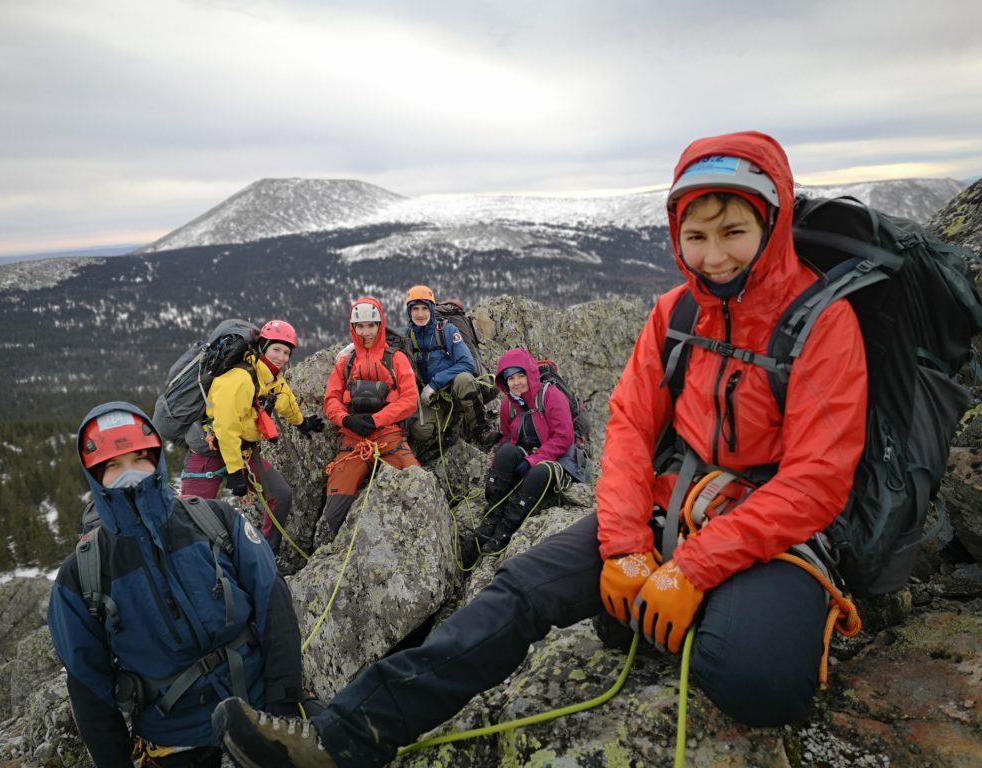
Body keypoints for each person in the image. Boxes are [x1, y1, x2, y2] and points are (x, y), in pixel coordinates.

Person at [211, 130, 869, 767]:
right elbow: (633, 429)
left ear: (771, 226)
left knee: (758, 684)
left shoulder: (820, 324)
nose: (714, 256)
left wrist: (691, 575)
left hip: (771, 536)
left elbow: (815, 481)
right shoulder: (677, 316)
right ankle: (345, 735)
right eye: (696, 237)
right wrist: (627, 549)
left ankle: (694, 619)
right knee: (519, 589)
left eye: (734, 233)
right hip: (669, 509)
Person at [48, 402, 311, 768]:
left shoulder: (214, 519)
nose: (130, 475)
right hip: (176, 743)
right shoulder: (80, 577)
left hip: (262, 706)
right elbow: (89, 688)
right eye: (112, 466)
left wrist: (284, 703)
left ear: (156, 458)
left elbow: (273, 604)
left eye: (139, 458)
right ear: (94, 477)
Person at [180, 319, 323, 555]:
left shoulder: (270, 377)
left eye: (286, 352)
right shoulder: (239, 378)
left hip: (244, 452)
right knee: (192, 517)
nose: (281, 357)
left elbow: (284, 399)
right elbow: (226, 428)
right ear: (263, 346)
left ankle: (267, 556)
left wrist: (301, 422)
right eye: (276, 349)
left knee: (280, 496)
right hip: (210, 451)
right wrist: (235, 472)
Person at [319, 297, 420, 536]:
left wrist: (376, 420)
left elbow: (409, 401)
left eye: (371, 325)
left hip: (389, 436)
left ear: (380, 325)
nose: (365, 332)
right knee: (334, 514)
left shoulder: (396, 359)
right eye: (360, 326)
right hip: (353, 440)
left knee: (416, 489)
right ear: (353, 327)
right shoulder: (345, 363)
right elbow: (330, 400)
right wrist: (345, 420)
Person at [474, 347, 585, 553]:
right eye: (510, 378)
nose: (516, 382)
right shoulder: (509, 404)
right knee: (505, 454)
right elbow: (508, 437)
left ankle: (506, 530)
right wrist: (501, 464)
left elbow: (564, 437)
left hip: (561, 460)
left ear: (530, 374)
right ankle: (492, 517)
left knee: (539, 472)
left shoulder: (551, 396)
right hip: (530, 453)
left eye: (520, 375)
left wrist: (533, 461)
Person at [401, 285, 497, 454]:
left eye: (425, 308)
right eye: (415, 309)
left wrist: (434, 384)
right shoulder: (408, 336)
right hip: (433, 398)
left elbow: (468, 364)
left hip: (452, 388)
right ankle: (450, 420)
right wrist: (354, 347)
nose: (420, 314)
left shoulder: (446, 330)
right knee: (420, 431)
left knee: (464, 379)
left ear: (432, 309)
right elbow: (385, 341)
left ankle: (480, 429)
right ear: (409, 312)